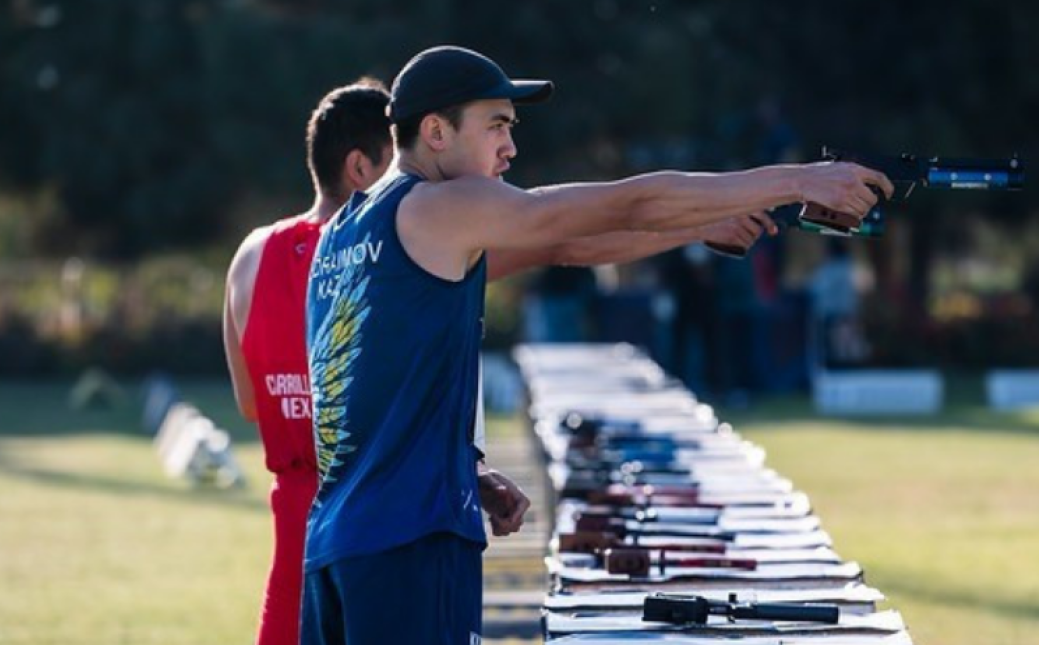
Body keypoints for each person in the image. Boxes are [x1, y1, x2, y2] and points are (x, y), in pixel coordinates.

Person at [303, 45, 892, 644]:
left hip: (335, 544)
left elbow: (562, 246)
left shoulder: (349, 231)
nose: (510, 146)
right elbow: (626, 201)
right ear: (434, 131)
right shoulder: (439, 204)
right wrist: (799, 179)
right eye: (497, 126)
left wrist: (462, 474)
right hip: (407, 543)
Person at [225, 75, 773, 645]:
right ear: (363, 167)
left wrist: (452, 462)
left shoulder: (273, 253)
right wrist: (743, 203)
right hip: (404, 523)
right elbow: (563, 239)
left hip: (315, 526)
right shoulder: (421, 222)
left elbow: (251, 403)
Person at [223, 79, 393, 645]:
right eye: (399, 167)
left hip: (294, 557)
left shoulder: (250, 254)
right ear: (360, 168)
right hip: (373, 541)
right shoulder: (391, 251)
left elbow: (252, 404)